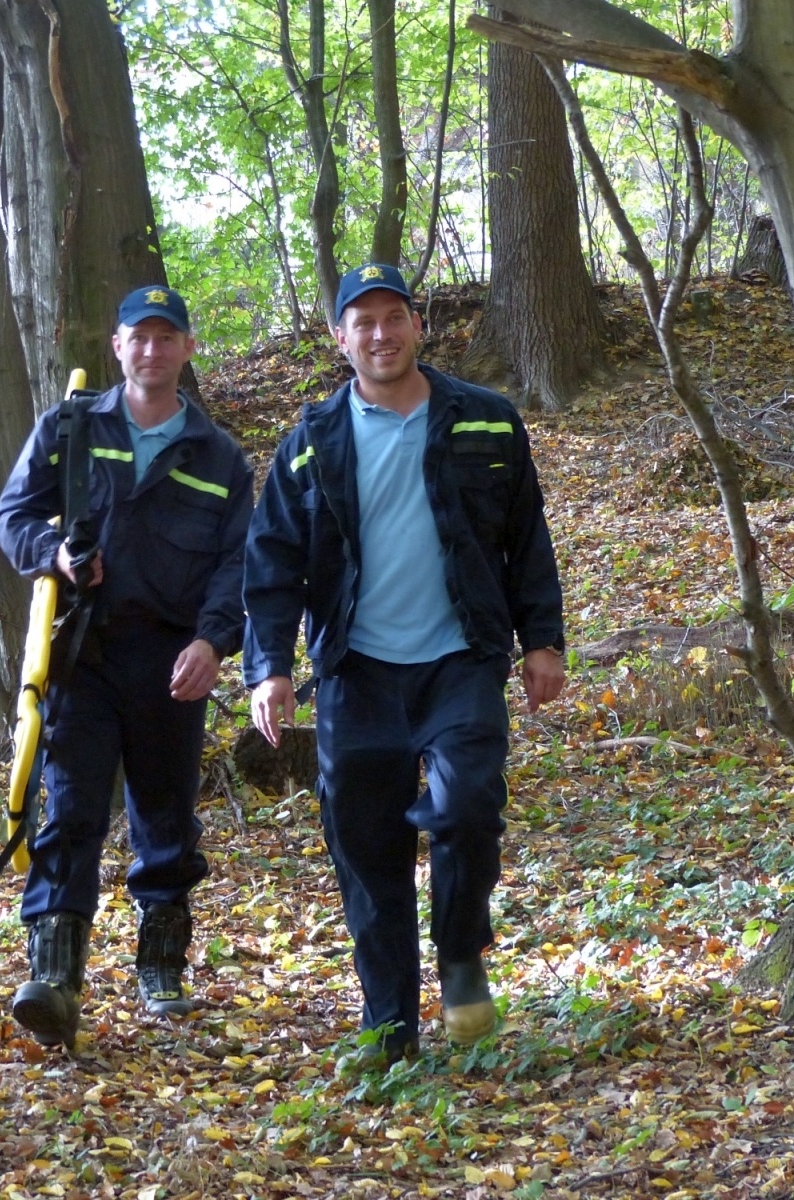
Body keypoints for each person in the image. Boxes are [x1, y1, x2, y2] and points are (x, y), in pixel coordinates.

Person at [242, 263, 566, 1068]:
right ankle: (389, 1026)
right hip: (356, 673)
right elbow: (273, 563)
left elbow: (526, 536)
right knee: (367, 851)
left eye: (395, 318)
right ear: (340, 338)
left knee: (466, 808)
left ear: (419, 326)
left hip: (460, 659)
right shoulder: (310, 443)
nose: (381, 335)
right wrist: (268, 667)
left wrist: (543, 639)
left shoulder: (486, 421)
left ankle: (461, 955)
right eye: (364, 323)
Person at [0, 284, 253, 1048]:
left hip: (174, 660)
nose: (152, 349)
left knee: (166, 815)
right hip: (84, 652)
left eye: (167, 337)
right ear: (118, 346)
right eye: (140, 336)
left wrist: (213, 642)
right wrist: (56, 557)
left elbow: (239, 565)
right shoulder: (71, 428)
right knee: (71, 810)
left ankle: (162, 967)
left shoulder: (218, 457)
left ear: (187, 349)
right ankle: (54, 979)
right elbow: (12, 516)